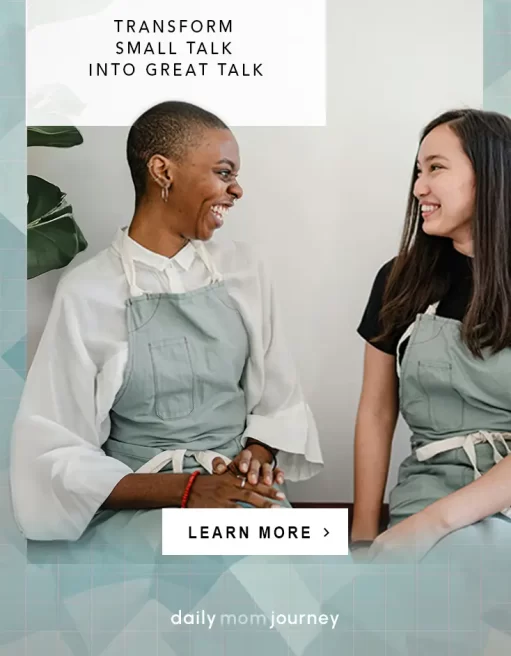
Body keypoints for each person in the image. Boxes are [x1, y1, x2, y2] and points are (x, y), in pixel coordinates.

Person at [12, 101, 322, 550]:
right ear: (163, 171)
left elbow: (280, 401)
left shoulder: (245, 270)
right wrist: (187, 490)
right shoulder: (88, 291)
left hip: (240, 500)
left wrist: (256, 456)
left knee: (307, 590)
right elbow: (54, 451)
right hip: (139, 514)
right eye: (224, 172)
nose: (237, 191)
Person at [352, 108, 511, 564]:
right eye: (418, 171)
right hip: (426, 488)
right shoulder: (399, 280)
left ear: (491, 175)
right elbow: (377, 412)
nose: (419, 186)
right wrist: (364, 538)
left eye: (436, 168)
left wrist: (431, 526)